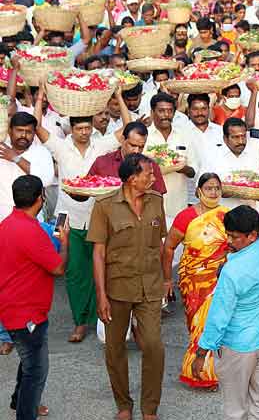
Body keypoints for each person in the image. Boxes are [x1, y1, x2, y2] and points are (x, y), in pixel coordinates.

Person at [192, 152, 259, 419]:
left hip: (239, 346)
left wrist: (202, 352)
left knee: (235, 410)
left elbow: (220, 314)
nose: (230, 241)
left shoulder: (233, 269)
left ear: (252, 235)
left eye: (235, 237)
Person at [33, 87, 130, 343]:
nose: (84, 132)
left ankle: (98, 317)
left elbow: (128, 130)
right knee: (75, 272)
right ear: (71, 129)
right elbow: (36, 127)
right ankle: (79, 322)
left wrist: (118, 97)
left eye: (87, 128)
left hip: (97, 214)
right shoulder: (60, 147)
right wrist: (41, 98)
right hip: (67, 216)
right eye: (79, 129)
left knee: (98, 267)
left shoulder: (102, 144)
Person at [87, 153, 167, 420]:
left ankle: (149, 408)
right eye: (149, 174)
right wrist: (101, 296)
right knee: (115, 348)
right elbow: (98, 253)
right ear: (133, 179)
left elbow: (161, 243)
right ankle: (123, 404)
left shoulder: (156, 201)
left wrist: (167, 279)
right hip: (117, 288)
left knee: (154, 345)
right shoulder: (105, 206)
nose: (153, 178)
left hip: (151, 286)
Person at [0, 175, 69, 420]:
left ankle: (18, 401)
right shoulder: (32, 231)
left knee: (27, 360)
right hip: (26, 314)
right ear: (40, 198)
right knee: (36, 370)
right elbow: (58, 268)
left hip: (13, 308)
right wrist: (65, 242)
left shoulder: (8, 223)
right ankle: (25, 412)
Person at [161, 173, 229, 389]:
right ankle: (198, 370)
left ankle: (211, 373)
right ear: (199, 191)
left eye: (217, 188)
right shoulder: (186, 216)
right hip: (193, 280)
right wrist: (166, 280)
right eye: (209, 188)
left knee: (216, 324)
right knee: (198, 325)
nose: (213, 193)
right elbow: (168, 247)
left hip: (220, 278)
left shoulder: (227, 215)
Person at [147, 92, 198, 226]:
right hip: (148, 206)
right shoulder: (144, 135)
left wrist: (182, 168)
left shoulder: (184, 135)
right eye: (161, 111)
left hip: (178, 205)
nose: (166, 115)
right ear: (152, 112)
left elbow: (194, 171)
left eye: (170, 111)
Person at [89, 121, 167, 195]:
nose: (136, 151)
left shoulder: (151, 165)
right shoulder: (102, 162)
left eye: (141, 147)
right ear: (122, 139)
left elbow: (158, 199)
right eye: (133, 145)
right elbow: (83, 194)